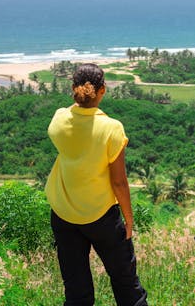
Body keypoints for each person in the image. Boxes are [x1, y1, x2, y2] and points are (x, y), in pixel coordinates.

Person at [45, 63, 147, 306]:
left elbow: (71, 119)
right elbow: (119, 182)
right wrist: (128, 218)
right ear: (103, 90)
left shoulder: (59, 119)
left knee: (76, 290)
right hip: (101, 215)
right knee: (126, 283)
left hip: (64, 213)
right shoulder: (111, 128)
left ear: (73, 89)